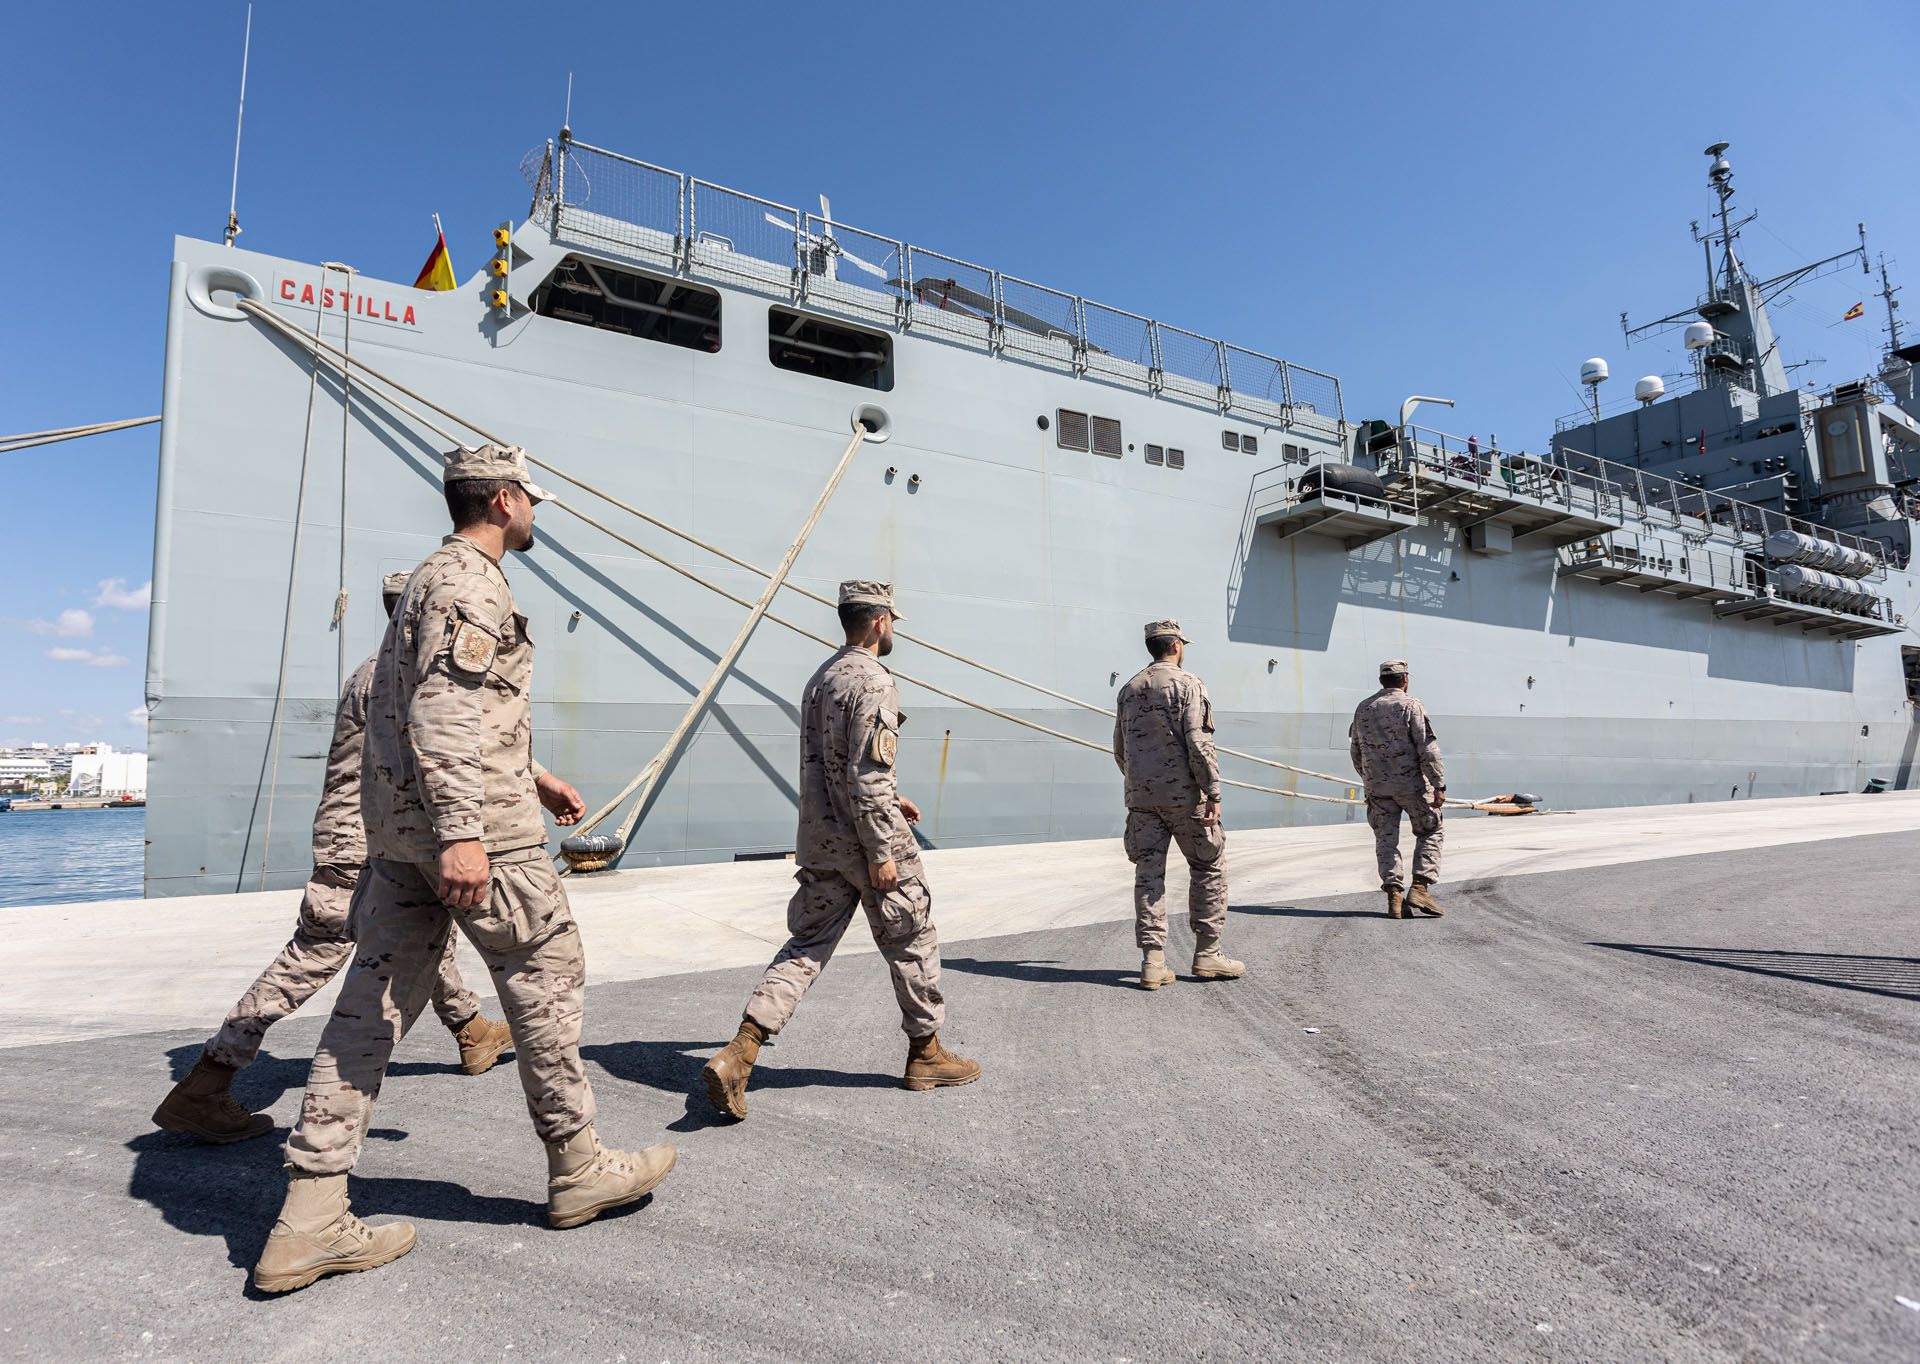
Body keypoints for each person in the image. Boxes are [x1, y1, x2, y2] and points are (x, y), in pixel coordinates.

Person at [252, 443, 675, 1295]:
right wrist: (465, 834)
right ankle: (578, 1165)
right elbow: (446, 712)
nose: (534, 516)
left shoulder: (422, 582)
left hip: (402, 839)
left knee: (368, 1010)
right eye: (531, 502)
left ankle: (308, 1216)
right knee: (545, 977)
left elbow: (427, 712)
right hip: (474, 834)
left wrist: (535, 775)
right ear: (506, 498)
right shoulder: (472, 584)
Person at [151, 574, 512, 1145]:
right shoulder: (402, 678)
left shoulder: (370, 671)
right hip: (365, 842)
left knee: (416, 930)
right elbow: (433, 757)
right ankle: (207, 1082)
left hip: (371, 837)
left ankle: (471, 1029)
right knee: (314, 954)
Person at [701, 580, 978, 1121]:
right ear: (879, 622)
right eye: (892, 621)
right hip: (867, 839)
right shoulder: (874, 681)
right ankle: (926, 1054)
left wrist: (890, 798)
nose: (892, 629)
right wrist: (881, 848)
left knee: (807, 947)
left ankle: (741, 1051)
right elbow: (867, 770)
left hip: (823, 838)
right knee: (912, 938)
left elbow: (836, 760)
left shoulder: (821, 677)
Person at [1112, 619, 1243, 990]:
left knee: (1149, 876)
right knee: (1208, 866)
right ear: (1176, 646)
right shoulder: (1189, 684)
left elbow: (1120, 749)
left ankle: (1152, 962)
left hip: (1142, 799)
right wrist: (1212, 791)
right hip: (1186, 798)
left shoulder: (1129, 689)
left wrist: (1141, 784)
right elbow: (1199, 745)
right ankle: (1208, 954)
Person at [1348, 659, 1446, 919]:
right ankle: (1420, 888)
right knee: (1431, 829)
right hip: (1412, 785)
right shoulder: (1411, 705)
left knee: (1386, 839)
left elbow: (1356, 751)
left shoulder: (1363, 708)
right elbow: (1427, 747)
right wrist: (1438, 784)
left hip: (1378, 787)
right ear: (1405, 680)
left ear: (1381, 681)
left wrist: (1371, 778)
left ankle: (1394, 896)